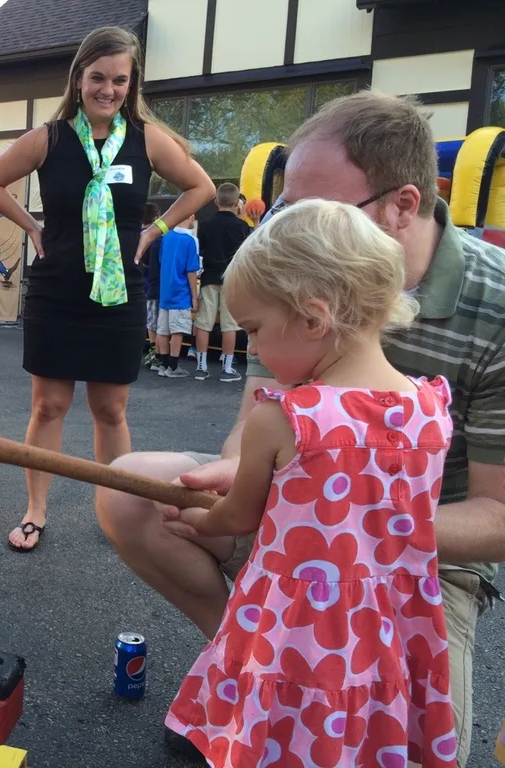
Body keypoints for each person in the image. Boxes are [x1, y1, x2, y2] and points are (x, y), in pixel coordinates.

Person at [96, 90, 505, 768]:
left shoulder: (495, 307)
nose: (294, 229)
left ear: (405, 205)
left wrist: (358, 524)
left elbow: (497, 514)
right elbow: (252, 427)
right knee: (130, 486)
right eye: (290, 210)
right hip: (298, 512)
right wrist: (240, 475)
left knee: (419, 744)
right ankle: (243, 669)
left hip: (420, 559)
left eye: (325, 214)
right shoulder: (298, 268)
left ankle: (274, 680)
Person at [164, 198, 458, 766]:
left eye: (254, 329)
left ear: (313, 318)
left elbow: (240, 516)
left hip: (300, 624)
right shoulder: (430, 408)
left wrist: (199, 520)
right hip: (392, 617)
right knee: (361, 724)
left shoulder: (288, 416)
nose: (251, 345)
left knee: (285, 724)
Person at [0, 26, 215, 552]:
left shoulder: (146, 139)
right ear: (79, 78)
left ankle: (117, 509)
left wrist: (155, 231)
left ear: (132, 83)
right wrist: (31, 226)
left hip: (119, 295)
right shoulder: (50, 138)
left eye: (119, 80)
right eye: (98, 78)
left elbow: (202, 187)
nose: (108, 89)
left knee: (112, 411)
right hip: (57, 291)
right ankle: (36, 509)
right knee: (48, 408)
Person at [192, 183, 250, 382]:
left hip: (209, 278)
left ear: (216, 201)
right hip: (231, 280)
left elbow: (201, 251)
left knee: (203, 323)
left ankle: (201, 366)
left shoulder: (206, 225)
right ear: (237, 203)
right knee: (229, 326)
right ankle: (226, 368)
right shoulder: (242, 227)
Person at [153, 215, 199, 378]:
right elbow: (191, 270)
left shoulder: (166, 238)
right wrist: (194, 296)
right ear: (191, 217)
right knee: (177, 331)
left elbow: (161, 261)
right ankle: (173, 366)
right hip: (181, 292)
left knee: (163, 330)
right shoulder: (189, 240)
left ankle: (164, 365)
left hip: (165, 290)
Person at [140, 202, 161, 368]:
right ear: (156, 218)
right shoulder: (156, 238)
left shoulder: (133, 235)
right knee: (154, 322)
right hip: (152, 285)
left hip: (136, 285)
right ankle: (154, 355)